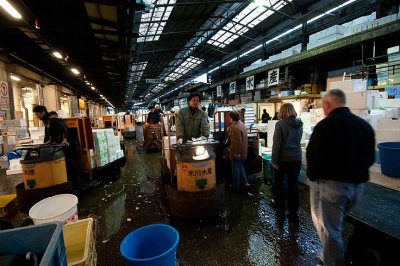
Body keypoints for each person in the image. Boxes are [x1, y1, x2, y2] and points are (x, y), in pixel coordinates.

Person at [306, 89, 375, 266]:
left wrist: (313, 177)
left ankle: (334, 262)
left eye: (323, 106)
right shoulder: (364, 125)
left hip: (333, 188)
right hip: (357, 188)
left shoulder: (325, 126)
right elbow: (370, 158)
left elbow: (313, 156)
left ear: (328, 104)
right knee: (336, 224)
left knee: (331, 230)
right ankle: (331, 254)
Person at [33, 105, 82, 188]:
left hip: (66, 146)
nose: (37, 116)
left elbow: (64, 129)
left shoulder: (53, 119)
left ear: (43, 112)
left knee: (71, 164)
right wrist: (48, 141)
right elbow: (51, 133)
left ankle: (78, 184)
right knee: (66, 165)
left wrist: (65, 139)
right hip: (59, 146)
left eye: (37, 114)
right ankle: (69, 183)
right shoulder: (47, 121)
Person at [271, 103, 303, 217]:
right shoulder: (299, 123)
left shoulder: (280, 124)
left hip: (283, 159)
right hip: (297, 158)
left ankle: (280, 207)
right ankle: (293, 209)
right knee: (293, 184)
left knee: (279, 184)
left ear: (282, 111)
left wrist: (274, 160)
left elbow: (276, 144)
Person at [228, 111, 249, 190]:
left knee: (235, 169)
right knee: (240, 166)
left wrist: (236, 154)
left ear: (231, 118)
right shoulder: (241, 124)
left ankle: (236, 186)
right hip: (243, 151)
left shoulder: (234, 127)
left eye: (229, 117)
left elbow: (237, 142)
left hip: (237, 152)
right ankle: (245, 182)